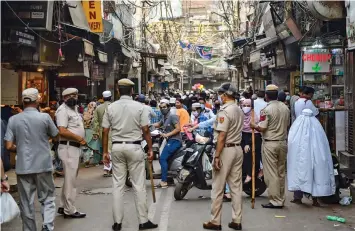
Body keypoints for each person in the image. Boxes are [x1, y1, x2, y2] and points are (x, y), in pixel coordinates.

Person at [101, 79, 158, 231]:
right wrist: (151, 149)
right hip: (134, 147)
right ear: (132, 91)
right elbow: (146, 130)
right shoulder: (140, 107)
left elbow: (105, 131)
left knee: (117, 186)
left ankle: (117, 223)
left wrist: (105, 152)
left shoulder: (111, 107)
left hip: (117, 148)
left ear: (118, 91)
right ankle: (143, 221)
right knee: (139, 185)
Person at [4, 88, 59, 231]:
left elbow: (9, 145)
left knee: (26, 202)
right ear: (38, 100)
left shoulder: (13, 119)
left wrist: (21, 148)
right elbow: (56, 135)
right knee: (47, 198)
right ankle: (47, 226)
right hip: (43, 165)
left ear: (23, 101)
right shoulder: (45, 117)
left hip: (23, 166)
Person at [203, 83, 244, 231]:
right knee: (236, 187)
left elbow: (222, 136)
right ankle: (237, 220)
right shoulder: (238, 110)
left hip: (225, 149)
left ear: (225, 96)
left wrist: (217, 156)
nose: (219, 97)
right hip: (237, 149)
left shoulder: (225, 111)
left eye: (221, 94)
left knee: (218, 187)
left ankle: (215, 221)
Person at [250, 84, 290, 209]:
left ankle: (275, 200)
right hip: (283, 142)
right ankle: (281, 198)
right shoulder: (285, 108)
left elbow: (262, 127)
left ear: (266, 96)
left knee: (271, 173)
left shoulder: (266, 110)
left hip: (270, 143)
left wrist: (254, 126)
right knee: (281, 172)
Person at [287, 109, 335, 206]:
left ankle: (298, 198)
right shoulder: (317, 127)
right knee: (315, 175)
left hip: (301, 158)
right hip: (314, 158)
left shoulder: (298, 126)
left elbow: (292, 142)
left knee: (299, 173)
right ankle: (314, 200)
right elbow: (323, 145)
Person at [56, 88, 87, 218]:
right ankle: (70, 210)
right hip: (68, 148)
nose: (74, 97)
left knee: (69, 179)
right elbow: (62, 131)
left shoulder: (73, 109)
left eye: (75, 95)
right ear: (64, 98)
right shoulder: (62, 110)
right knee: (71, 181)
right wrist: (78, 138)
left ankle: (64, 206)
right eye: (71, 96)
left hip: (74, 147)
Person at [153, 99, 182, 188]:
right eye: (161, 107)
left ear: (168, 107)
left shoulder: (172, 116)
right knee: (167, 160)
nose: (162, 109)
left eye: (164, 107)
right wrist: (148, 125)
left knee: (162, 159)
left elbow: (178, 128)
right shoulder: (164, 116)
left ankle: (164, 181)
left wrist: (167, 134)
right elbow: (158, 124)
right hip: (169, 140)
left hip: (175, 140)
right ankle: (169, 180)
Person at [240, 99, 262, 184]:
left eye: (248, 106)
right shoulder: (241, 115)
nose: (246, 107)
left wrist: (248, 144)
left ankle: (250, 173)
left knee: (249, 153)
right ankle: (245, 173)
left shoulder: (254, 116)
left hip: (253, 138)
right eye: (244, 105)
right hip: (244, 137)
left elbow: (256, 132)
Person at [93, 90, 113, 177]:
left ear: (103, 98)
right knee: (110, 150)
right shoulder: (114, 106)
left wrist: (95, 132)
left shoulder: (98, 108)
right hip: (113, 130)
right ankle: (107, 168)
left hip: (102, 131)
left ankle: (108, 168)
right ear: (111, 97)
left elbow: (95, 121)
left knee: (106, 149)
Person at [82, 101, 99, 167]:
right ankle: (96, 161)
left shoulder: (85, 112)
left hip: (86, 132)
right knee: (95, 147)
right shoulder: (95, 112)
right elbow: (96, 123)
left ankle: (87, 161)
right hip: (94, 131)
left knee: (87, 147)